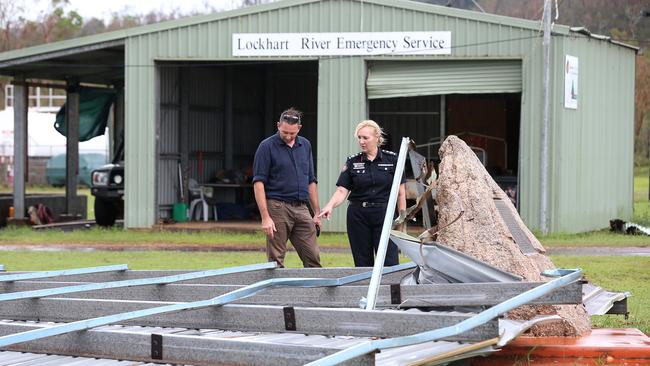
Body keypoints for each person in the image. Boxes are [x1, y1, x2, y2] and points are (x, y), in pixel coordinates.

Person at [319, 120, 406, 267]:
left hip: (384, 213)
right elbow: (341, 190)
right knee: (362, 261)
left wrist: (402, 219)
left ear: (377, 138)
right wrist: (330, 206)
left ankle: (390, 290)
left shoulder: (393, 160)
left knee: (389, 261)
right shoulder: (353, 162)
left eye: (365, 138)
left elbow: (400, 193)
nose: (361, 141)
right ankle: (364, 289)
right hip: (358, 215)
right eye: (359, 138)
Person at [252, 107, 322, 268]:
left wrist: (316, 212)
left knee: (313, 256)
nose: (289, 136)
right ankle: (277, 292)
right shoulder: (266, 146)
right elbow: (258, 183)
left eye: (292, 133)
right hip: (277, 207)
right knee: (276, 259)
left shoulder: (305, 145)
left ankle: (314, 291)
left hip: (301, 207)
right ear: (278, 125)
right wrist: (265, 217)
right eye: (285, 132)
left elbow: (311, 180)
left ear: (299, 128)